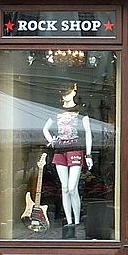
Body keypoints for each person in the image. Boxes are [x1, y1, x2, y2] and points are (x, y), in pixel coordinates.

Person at [43, 83, 93, 228]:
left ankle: (77, 221)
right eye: (63, 93)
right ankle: (70, 221)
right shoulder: (56, 111)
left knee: (72, 187)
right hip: (60, 151)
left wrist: (88, 155)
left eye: (68, 92)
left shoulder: (80, 110)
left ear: (74, 92)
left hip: (76, 150)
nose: (65, 95)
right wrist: (51, 140)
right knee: (65, 187)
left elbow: (88, 132)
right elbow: (45, 129)